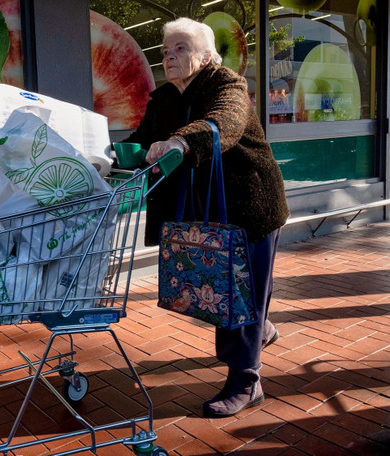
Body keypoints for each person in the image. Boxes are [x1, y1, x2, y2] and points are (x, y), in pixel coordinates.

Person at [123, 17, 289, 418]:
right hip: (209, 209)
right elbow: (141, 140)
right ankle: (261, 330)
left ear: (206, 55)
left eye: (180, 48)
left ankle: (247, 381)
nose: (169, 55)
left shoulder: (227, 84)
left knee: (240, 295)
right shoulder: (165, 98)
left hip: (250, 205)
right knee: (230, 293)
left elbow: (224, 122)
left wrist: (181, 141)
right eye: (166, 50)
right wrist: (104, 157)